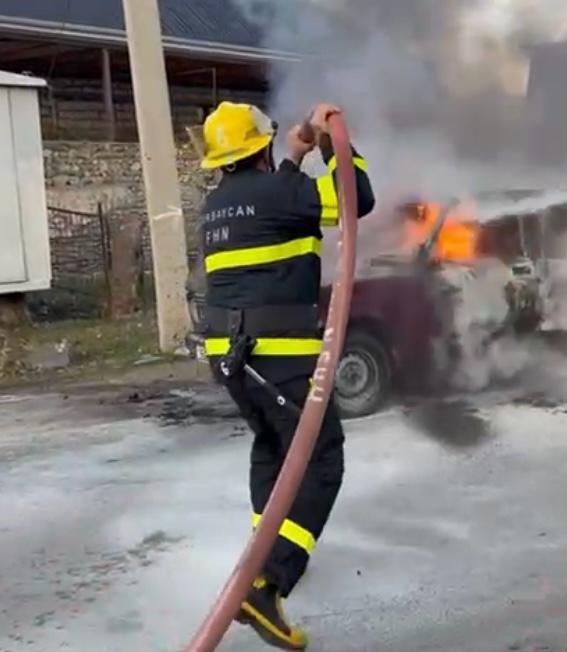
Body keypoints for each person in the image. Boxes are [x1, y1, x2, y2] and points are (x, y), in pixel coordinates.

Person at [197, 100, 375, 649]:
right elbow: (357, 198)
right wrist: (330, 142)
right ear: (261, 149)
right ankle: (269, 584)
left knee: (274, 447)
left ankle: (262, 556)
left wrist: (294, 158)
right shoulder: (281, 192)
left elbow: (271, 203)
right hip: (278, 354)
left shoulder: (216, 205)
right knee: (322, 456)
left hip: (229, 355)